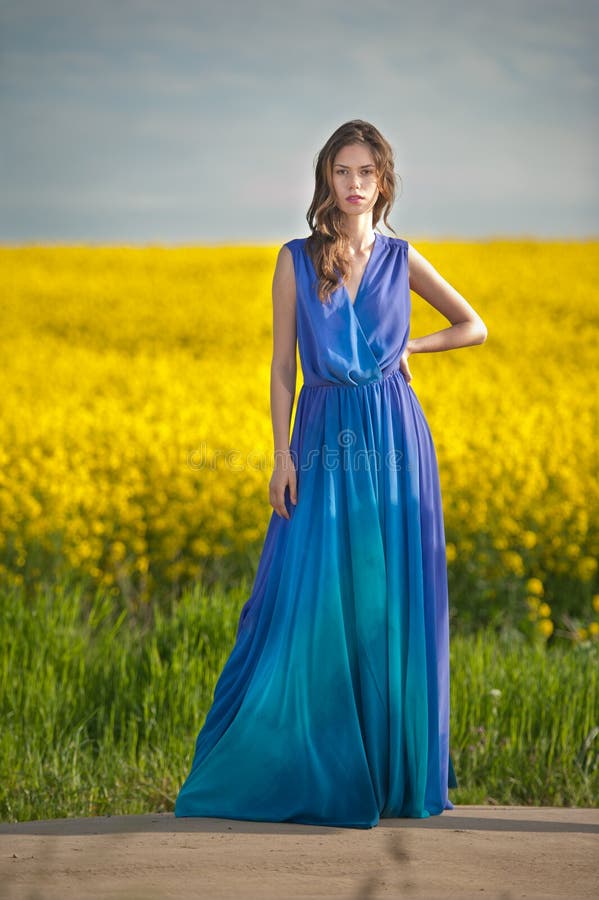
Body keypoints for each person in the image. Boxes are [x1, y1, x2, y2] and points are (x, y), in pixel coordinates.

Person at [174, 119, 487, 829]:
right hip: (320, 436)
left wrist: (415, 343)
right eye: (340, 172)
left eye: (365, 172)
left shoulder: (402, 256)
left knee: (387, 602)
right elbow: (282, 367)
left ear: (383, 181)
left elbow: (474, 325)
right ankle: (317, 763)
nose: (352, 185)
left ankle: (390, 776)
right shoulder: (294, 258)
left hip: (395, 436)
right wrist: (280, 456)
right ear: (325, 180)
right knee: (311, 596)